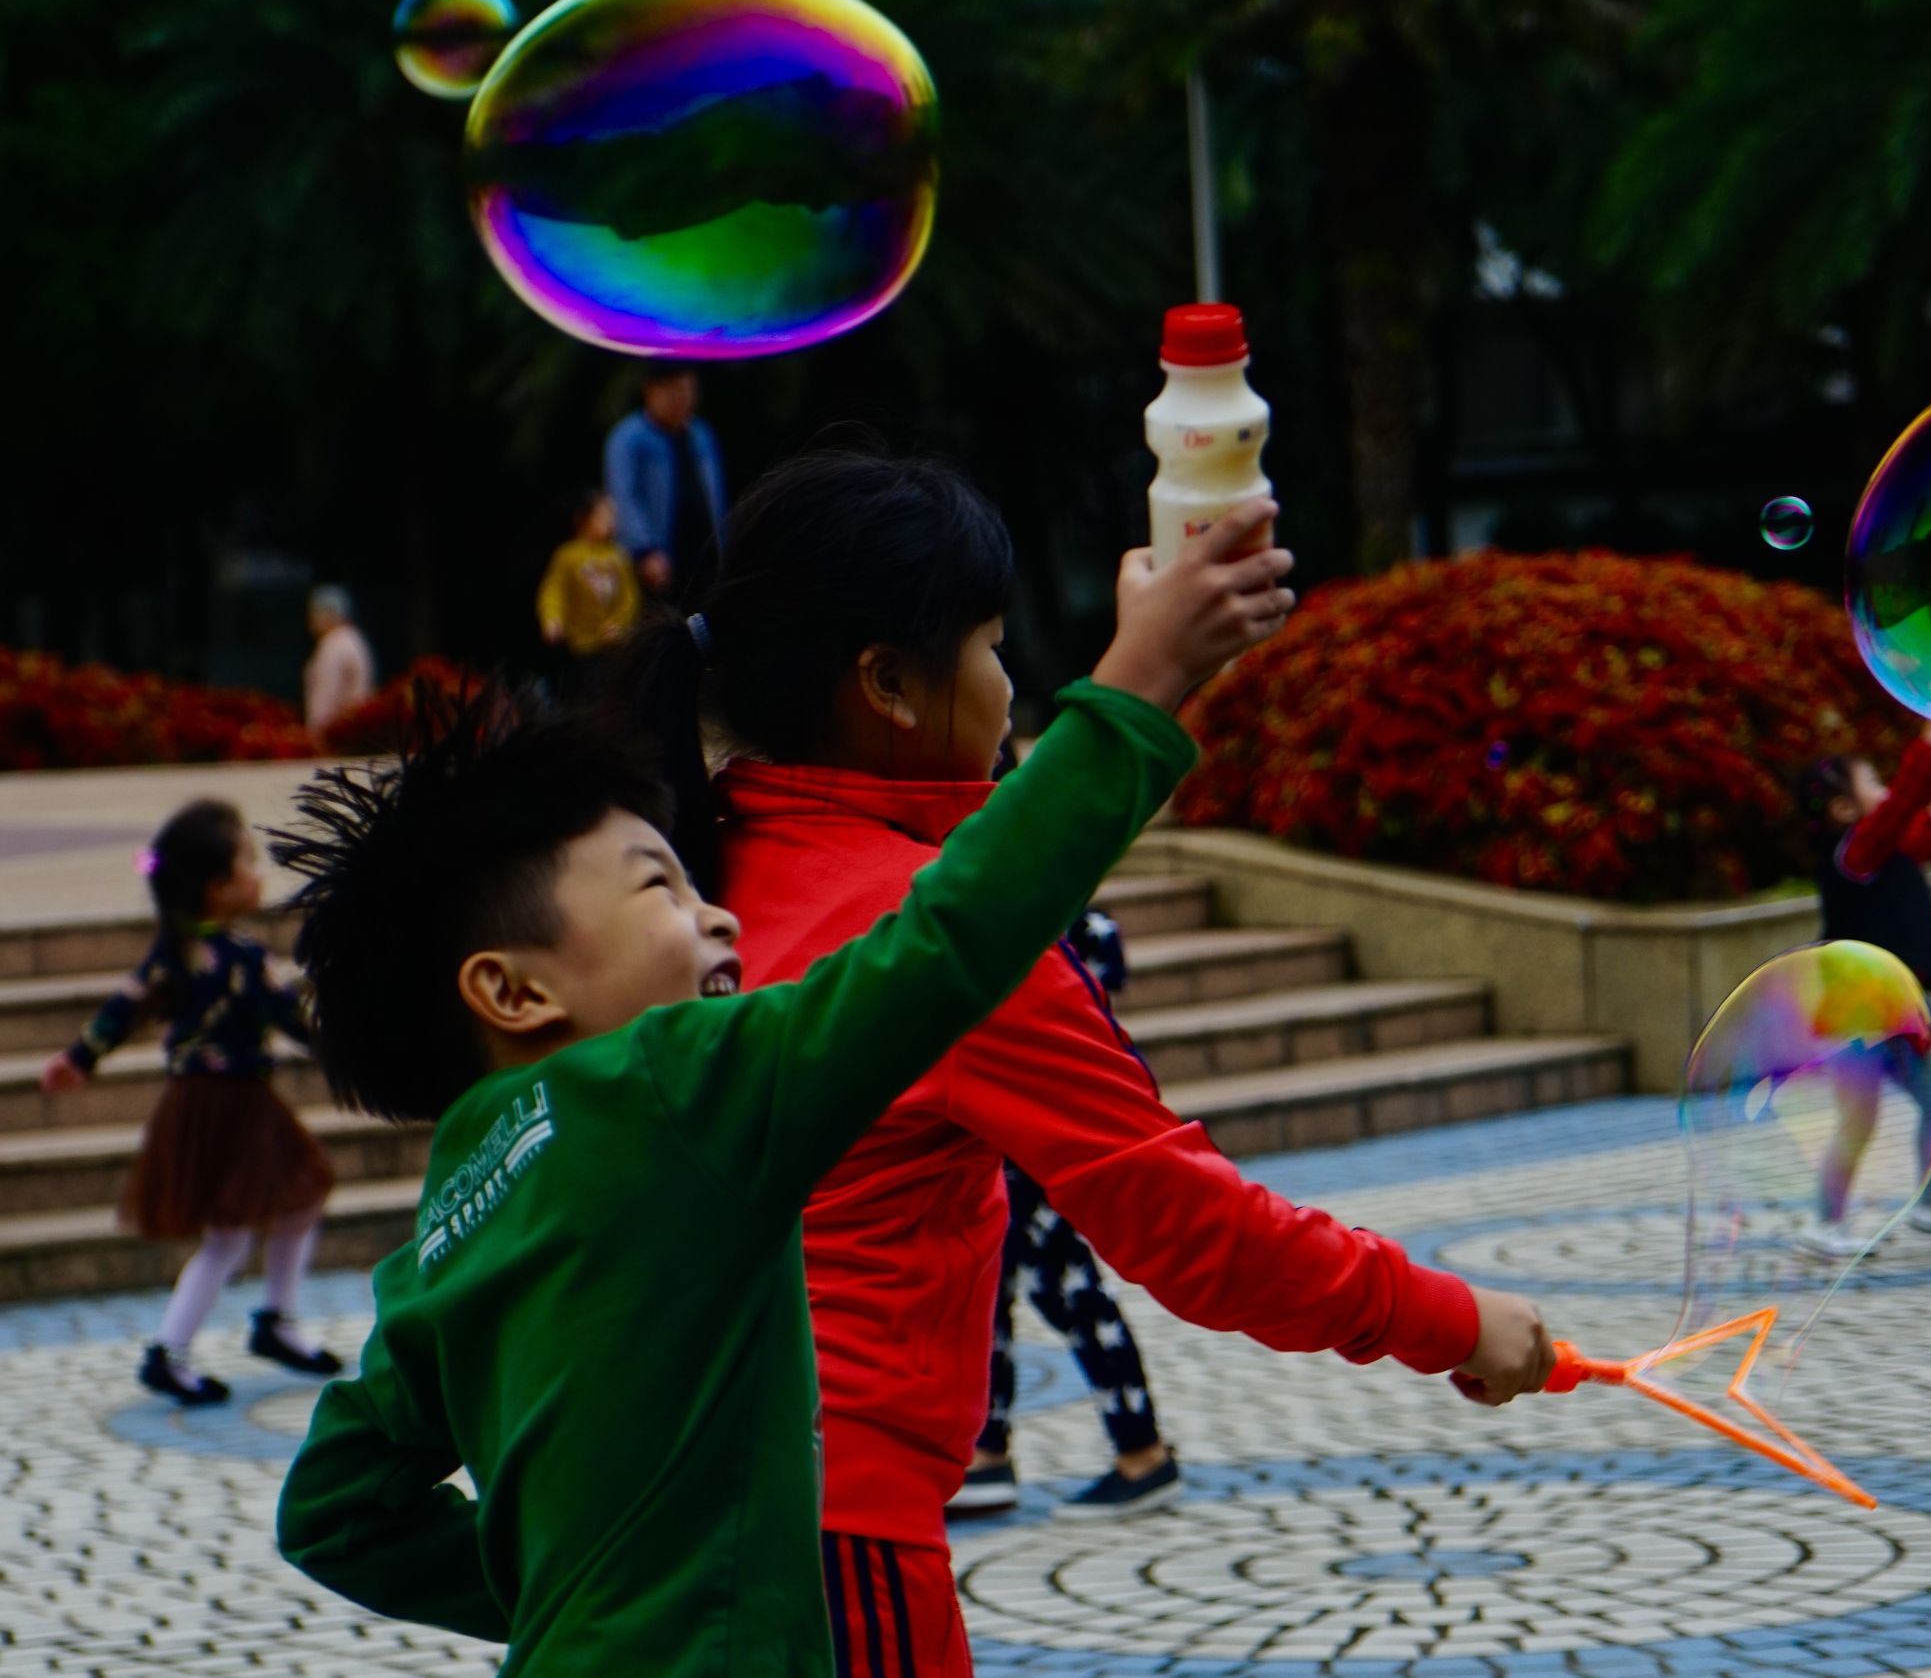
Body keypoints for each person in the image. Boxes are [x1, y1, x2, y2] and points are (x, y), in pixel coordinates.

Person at [265, 512, 1300, 1677]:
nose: (716, 912)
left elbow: (334, 1511)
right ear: (511, 988)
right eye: (660, 883)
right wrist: (1144, 681)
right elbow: (945, 941)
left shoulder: (452, 1217)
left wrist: (588, 1596)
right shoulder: (675, 1088)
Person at [619, 450, 1559, 1678]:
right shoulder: (939, 946)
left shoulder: (685, 879)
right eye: (993, 647)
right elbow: (1187, 1222)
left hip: (642, 1534)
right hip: (833, 1549)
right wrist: (1455, 1317)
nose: (1009, 689)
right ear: (888, 685)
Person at [38, 800, 342, 1405]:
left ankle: (269, 1323)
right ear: (215, 887)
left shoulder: (196, 954)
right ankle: (173, 1350)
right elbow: (293, 1021)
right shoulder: (228, 959)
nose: (260, 877)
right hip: (225, 1106)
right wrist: (80, 1056)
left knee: (298, 1200)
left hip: (221, 1103)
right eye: (247, 865)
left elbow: (122, 1009)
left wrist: (82, 1056)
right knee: (236, 1231)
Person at [954, 909, 1181, 1522]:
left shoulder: (1055, 916)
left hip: (1031, 1129)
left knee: (1069, 1292)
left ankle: (1142, 1451)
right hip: (1009, 1124)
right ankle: (987, 1453)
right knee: (995, 1289)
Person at [1796, 721, 1931, 1258]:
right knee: (1859, 1118)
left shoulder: (1882, 854)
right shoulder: (1854, 854)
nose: (1887, 791)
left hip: (1902, 1008)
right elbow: (1907, 799)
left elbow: (1917, 840)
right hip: (1856, 1015)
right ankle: (1824, 1223)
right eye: (1872, 783)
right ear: (1844, 811)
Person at [604, 362, 727, 600]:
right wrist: (645, 550)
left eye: (688, 390)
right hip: (660, 559)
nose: (683, 399)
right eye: (674, 391)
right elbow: (623, 497)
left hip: (705, 553)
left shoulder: (700, 434)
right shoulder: (628, 437)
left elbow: (716, 494)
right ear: (651, 391)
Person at [536, 488, 641, 698]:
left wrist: (620, 625)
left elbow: (630, 598)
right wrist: (552, 619)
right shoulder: (568, 556)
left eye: (613, 516)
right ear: (583, 519)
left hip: (612, 645)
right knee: (581, 693)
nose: (611, 522)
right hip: (580, 646)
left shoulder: (619, 556)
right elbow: (553, 590)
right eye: (604, 516)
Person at [304, 585, 375, 738]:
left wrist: (316, 736)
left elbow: (325, 699)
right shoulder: (354, 638)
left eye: (315, 612)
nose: (311, 618)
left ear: (330, 613)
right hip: (355, 734)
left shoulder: (333, 645)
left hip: (336, 736)